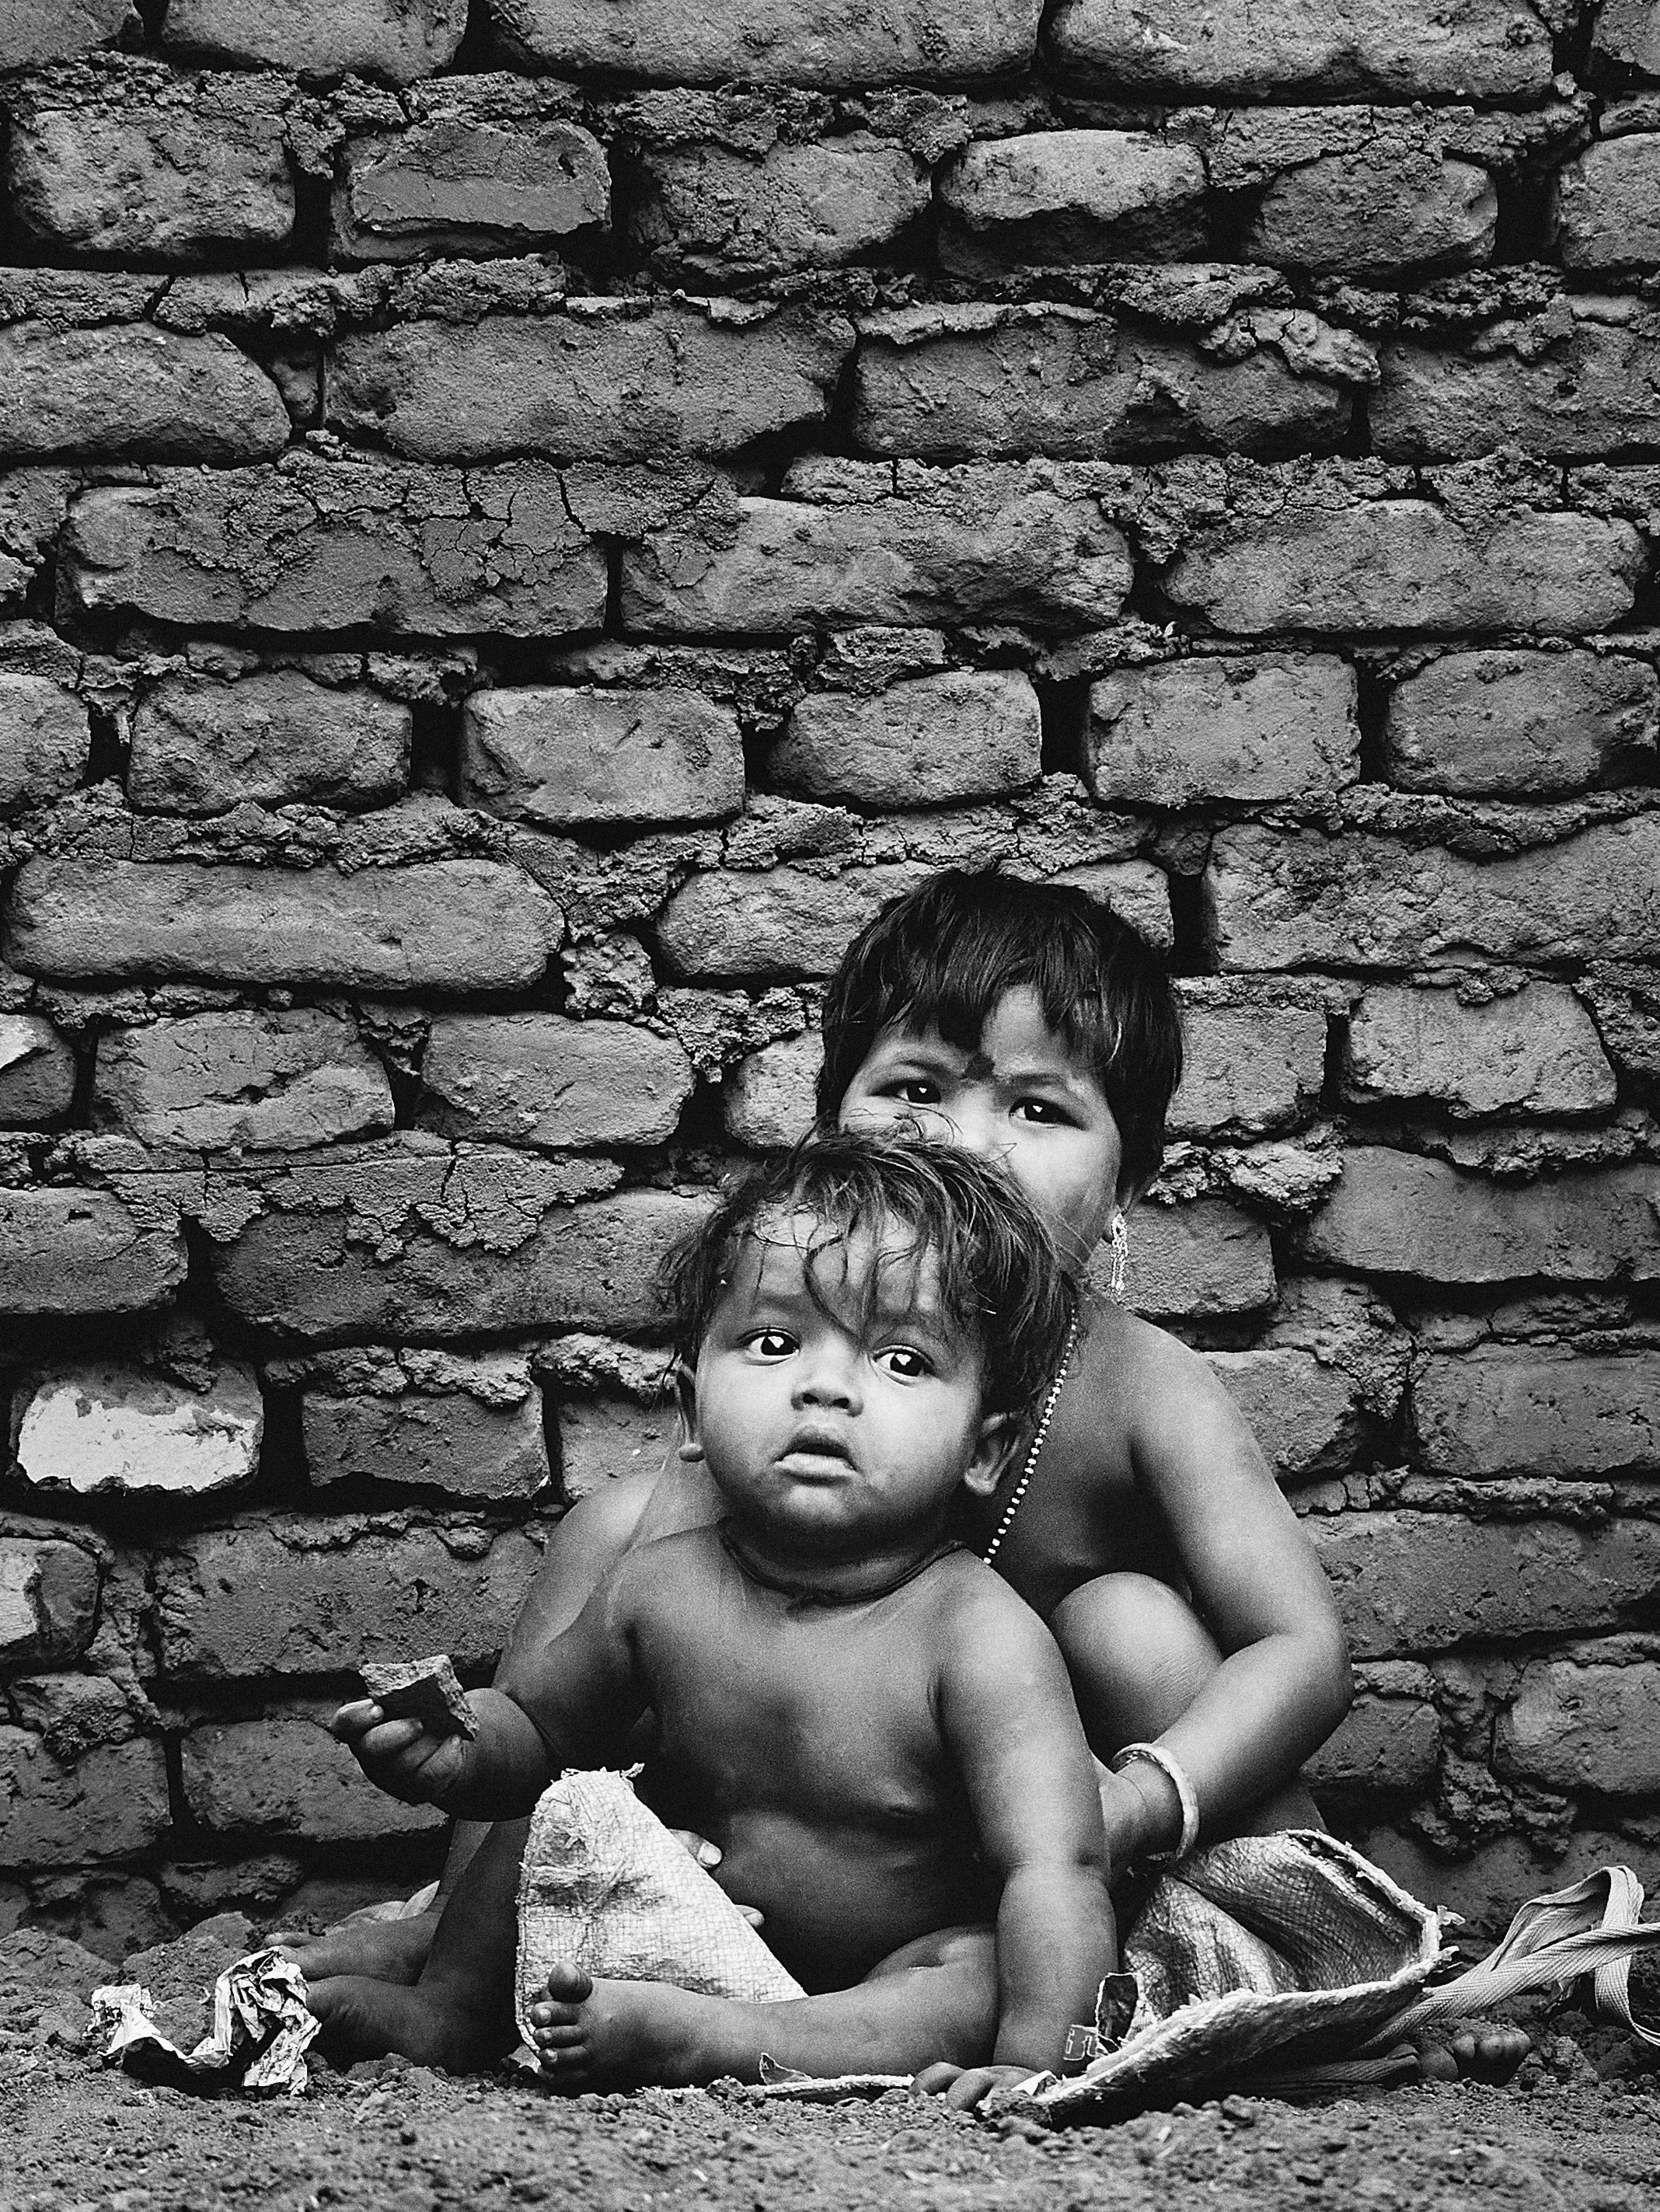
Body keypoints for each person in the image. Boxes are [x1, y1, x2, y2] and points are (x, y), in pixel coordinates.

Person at [292, 867, 1519, 2081]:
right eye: (917, 1090)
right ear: (834, 1131)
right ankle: (467, 1969)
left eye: (1039, 1110)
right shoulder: (804, 1378)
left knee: (1131, 1625)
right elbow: (575, 1711)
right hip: (804, 1826)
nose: (967, 1143)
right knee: (622, 1538)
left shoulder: (1137, 1384)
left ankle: (1348, 1980)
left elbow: (1301, 1654)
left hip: (1053, 1853)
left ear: (1129, 1184)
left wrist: (1137, 1804)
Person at [329, 1135, 1116, 2097]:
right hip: (675, 1924)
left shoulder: (979, 1637)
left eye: (903, 1360)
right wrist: (460, 1752)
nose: (826, 1386)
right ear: (695, 1413)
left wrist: (1037, 2062)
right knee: (566, 1810)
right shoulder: (658, 1586)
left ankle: (718, 2040)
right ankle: (455, 2007)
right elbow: (540, 1731)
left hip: (880, 1976)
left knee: (975, 1973)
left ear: (985, 1449)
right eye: (776, 1342)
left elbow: (1057, 1868)